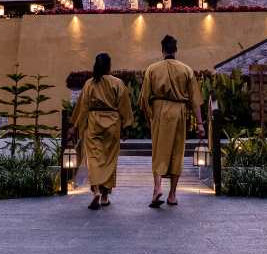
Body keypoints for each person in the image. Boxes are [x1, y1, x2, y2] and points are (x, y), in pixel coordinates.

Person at [138, 34, 205, 208]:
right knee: (177, 151)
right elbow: (195, 100)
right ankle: (172, 195)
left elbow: (144, 99)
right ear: (176, 49)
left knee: (159, 149)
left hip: (159, 111)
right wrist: (200, 124)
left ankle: (157, 187)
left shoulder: (152, 69)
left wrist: (150, 116)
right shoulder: (186, 70)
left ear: (162, 50)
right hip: (179, 111)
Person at [71, 53, 133, 209]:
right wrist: (126, 126)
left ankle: (96, 191)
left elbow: (83, 108)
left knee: (93, 158)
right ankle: (105, 197)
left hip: (93, 123)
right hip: (113, 123)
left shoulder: (90, 84)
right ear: (109, 66)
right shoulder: (118, 83)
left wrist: (75, 127)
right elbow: (124, 106)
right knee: (109, 160)